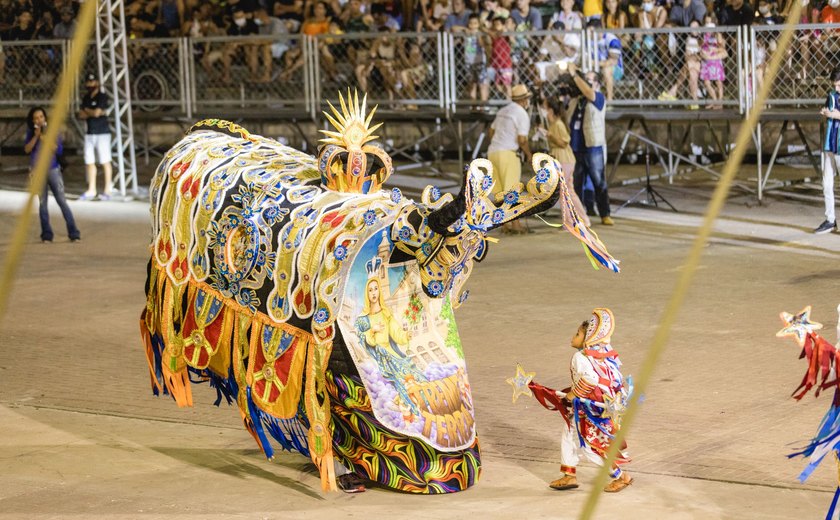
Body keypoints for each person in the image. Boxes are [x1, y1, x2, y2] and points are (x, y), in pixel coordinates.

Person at [548, 308, 632, 493]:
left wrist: (571, 396)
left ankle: (620, 476)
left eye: (577, 333)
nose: (573, 336)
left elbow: (590, 380)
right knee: (569, 433)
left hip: (590, 409)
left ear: (587, 339)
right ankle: (568, 474)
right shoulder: (602, 355)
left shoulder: (580, 357)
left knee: (589, 447)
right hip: (600, 406)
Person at [24, 106, 81, 243]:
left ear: (45, 118)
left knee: (62, 201)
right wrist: (36, 137)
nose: (39, 120)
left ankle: (73, 233)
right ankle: (47, 235)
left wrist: (44, 137)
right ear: (32, 120)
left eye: (41, 117)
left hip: (53, 170)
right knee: (43, 204)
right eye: (36, 118)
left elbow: (58, 150)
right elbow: (27, 149)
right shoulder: (31, 133)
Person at [567, 62, 613, 225]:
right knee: (576, 184)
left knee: (598, 181)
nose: (585, 83)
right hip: (576, 147)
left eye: (590, 80)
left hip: (593, 147)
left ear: (597, 84)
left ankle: (605, 213)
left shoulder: (598, 97)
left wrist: (574, 74)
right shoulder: (575, 100)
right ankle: (579, 215)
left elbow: (588, 91)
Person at [486, 83, 533, 234]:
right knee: (512, 190)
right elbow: (522, 140)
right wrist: (529, 155)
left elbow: (491, 132)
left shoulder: (503, 110)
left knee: (500, 191)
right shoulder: (522, 114)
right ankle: (516, 224)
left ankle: (505, 224)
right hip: (508, 154)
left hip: (493, 152)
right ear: (524, 100)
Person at [544, 97, 590, 227]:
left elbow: (564, 142)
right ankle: (582, 219)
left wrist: (549, 135)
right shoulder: (555, 124)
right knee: (569, 191)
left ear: (551, 110)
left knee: (563, 191)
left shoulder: (558, 124)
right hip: (563, 159)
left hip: (563, 159)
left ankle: (570, 222)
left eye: (546, 109)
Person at [77, 73, 112, 201]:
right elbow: (81, 114)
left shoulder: (102, 97)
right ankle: (92, 189)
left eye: (92, 82)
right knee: (89, 161)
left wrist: (89, 111)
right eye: (88, 82)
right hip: (90, 132)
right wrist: (93, 112)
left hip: (102, 132)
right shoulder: (86, 97)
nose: (90, 85)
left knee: (105, 160)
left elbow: (97, 113)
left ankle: (107, 189)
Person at [814, 68, 840, 234]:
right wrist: (826, 112)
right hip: (830, 143)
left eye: (839, 85)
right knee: (826, 182)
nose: (836, 88)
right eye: (835, 85)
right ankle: (830, 219)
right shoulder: (832, 95)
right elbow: (828, 109)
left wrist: (836, 114)